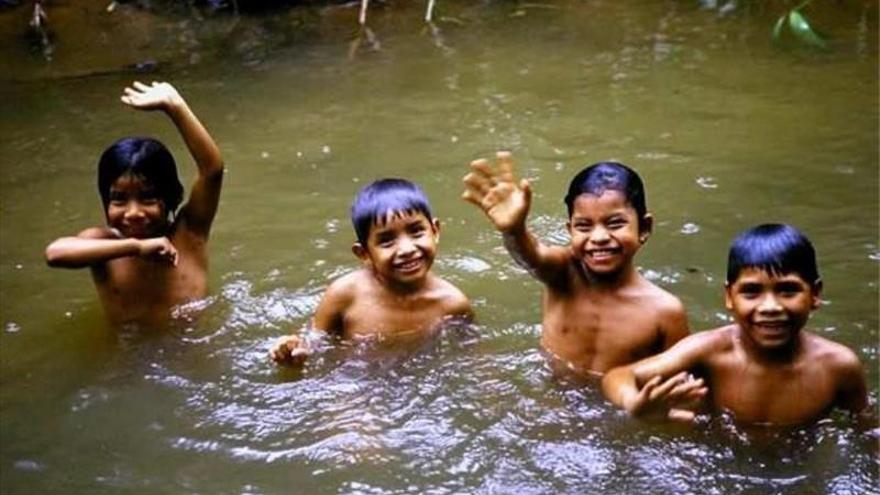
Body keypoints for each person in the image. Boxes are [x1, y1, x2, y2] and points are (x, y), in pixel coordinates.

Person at [601, 224, 870, 425]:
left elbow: (866, 428)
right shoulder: (708, 351)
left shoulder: (839, 367)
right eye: (751, 292)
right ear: (729, 297)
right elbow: (618, 376)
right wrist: (634, 403)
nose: (770, 307)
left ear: (815, 294)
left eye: (788, 290)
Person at [462, 151, 688, 374]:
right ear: (570, 231)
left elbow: (683, 384)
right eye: (584, 226)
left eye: (615, 223)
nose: (598, 237)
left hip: (615, 406)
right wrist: (514, 230)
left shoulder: (664, 312)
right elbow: (531, 257)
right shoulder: (563, 272)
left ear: (644, 228)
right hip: (552, 399)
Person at [45, 81, 224, 326]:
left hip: (193, 352)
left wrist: (175, 106)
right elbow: (55, 253)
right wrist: (135, 248)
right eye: (118, 199)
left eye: (148, 198)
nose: (133, 212)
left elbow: (212, 170)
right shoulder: (103, 244)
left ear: (169, 197)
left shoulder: (189, 232)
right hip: (131, 356)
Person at [270, 178, 472, 365]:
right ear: (364, 253)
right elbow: (314, 341)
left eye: (416, 231)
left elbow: (473, 357)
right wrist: (295, 351)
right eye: (386, 241)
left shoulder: (452, 304)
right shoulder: (345, 294)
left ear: (435, 231)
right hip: (353, 379)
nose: (407, 249)